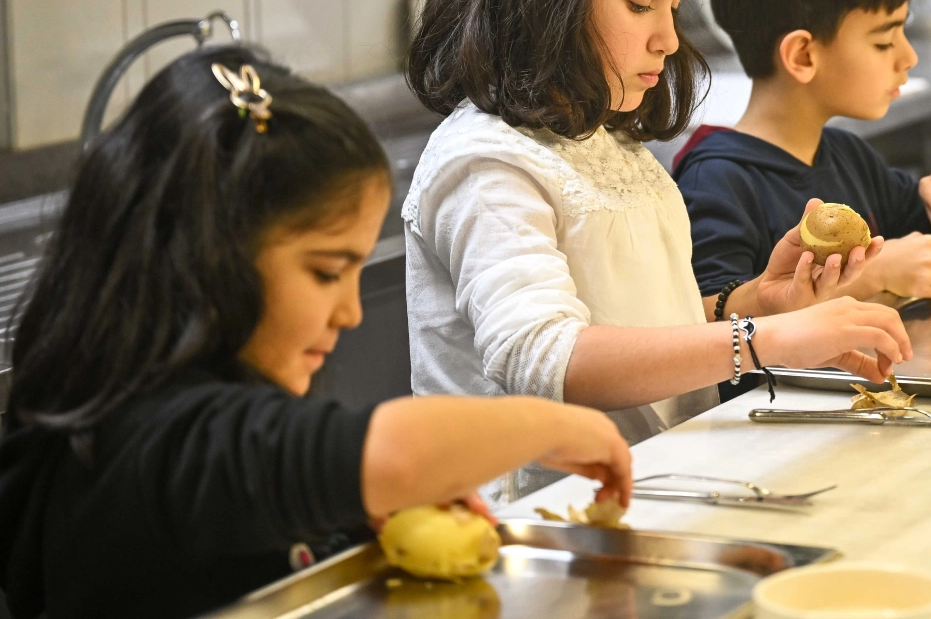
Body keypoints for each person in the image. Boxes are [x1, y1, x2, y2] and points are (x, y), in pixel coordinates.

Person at [0, 46, 634, 619]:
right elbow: (389, 452)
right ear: (212, 258)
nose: (350, 312)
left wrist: (359, 516)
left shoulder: (205, 415)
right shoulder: (149, 439)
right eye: (327, 272)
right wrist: (556, 425)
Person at [403, 0, 912, 496]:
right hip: (527, 522)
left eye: (672, 5)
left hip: (648, 488)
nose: (668, 39)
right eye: (640, 4)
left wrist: (755, 305)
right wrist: (764, 339)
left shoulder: (604, 137)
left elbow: (639, 334)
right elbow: (546, 355)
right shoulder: (486, 162)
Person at [673, 0, 931, 307]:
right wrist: (872, 275)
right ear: (803, 56)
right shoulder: (717, 181)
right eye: (883, 41)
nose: (909, 57)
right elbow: (709, 318)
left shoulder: (850, 157)